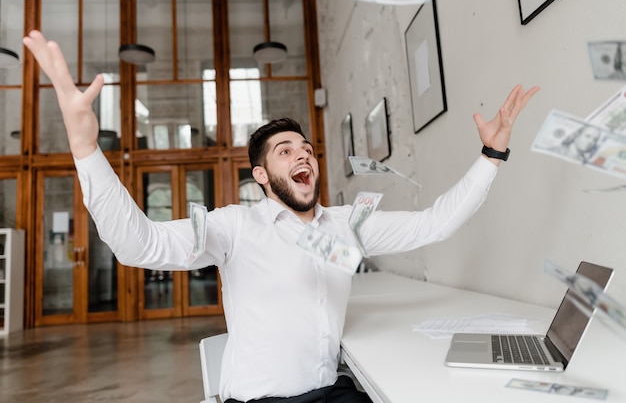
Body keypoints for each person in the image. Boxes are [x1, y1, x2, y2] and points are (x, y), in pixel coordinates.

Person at [23, 30, 539, 403]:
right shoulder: (233, 229)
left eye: (307, 149)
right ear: (263, 177)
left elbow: (434, 224)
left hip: (332, 393)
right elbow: (141, 246)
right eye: (285, 150)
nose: (303, 156)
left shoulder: (346, 227)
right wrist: (86, 146)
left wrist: (491, 157)